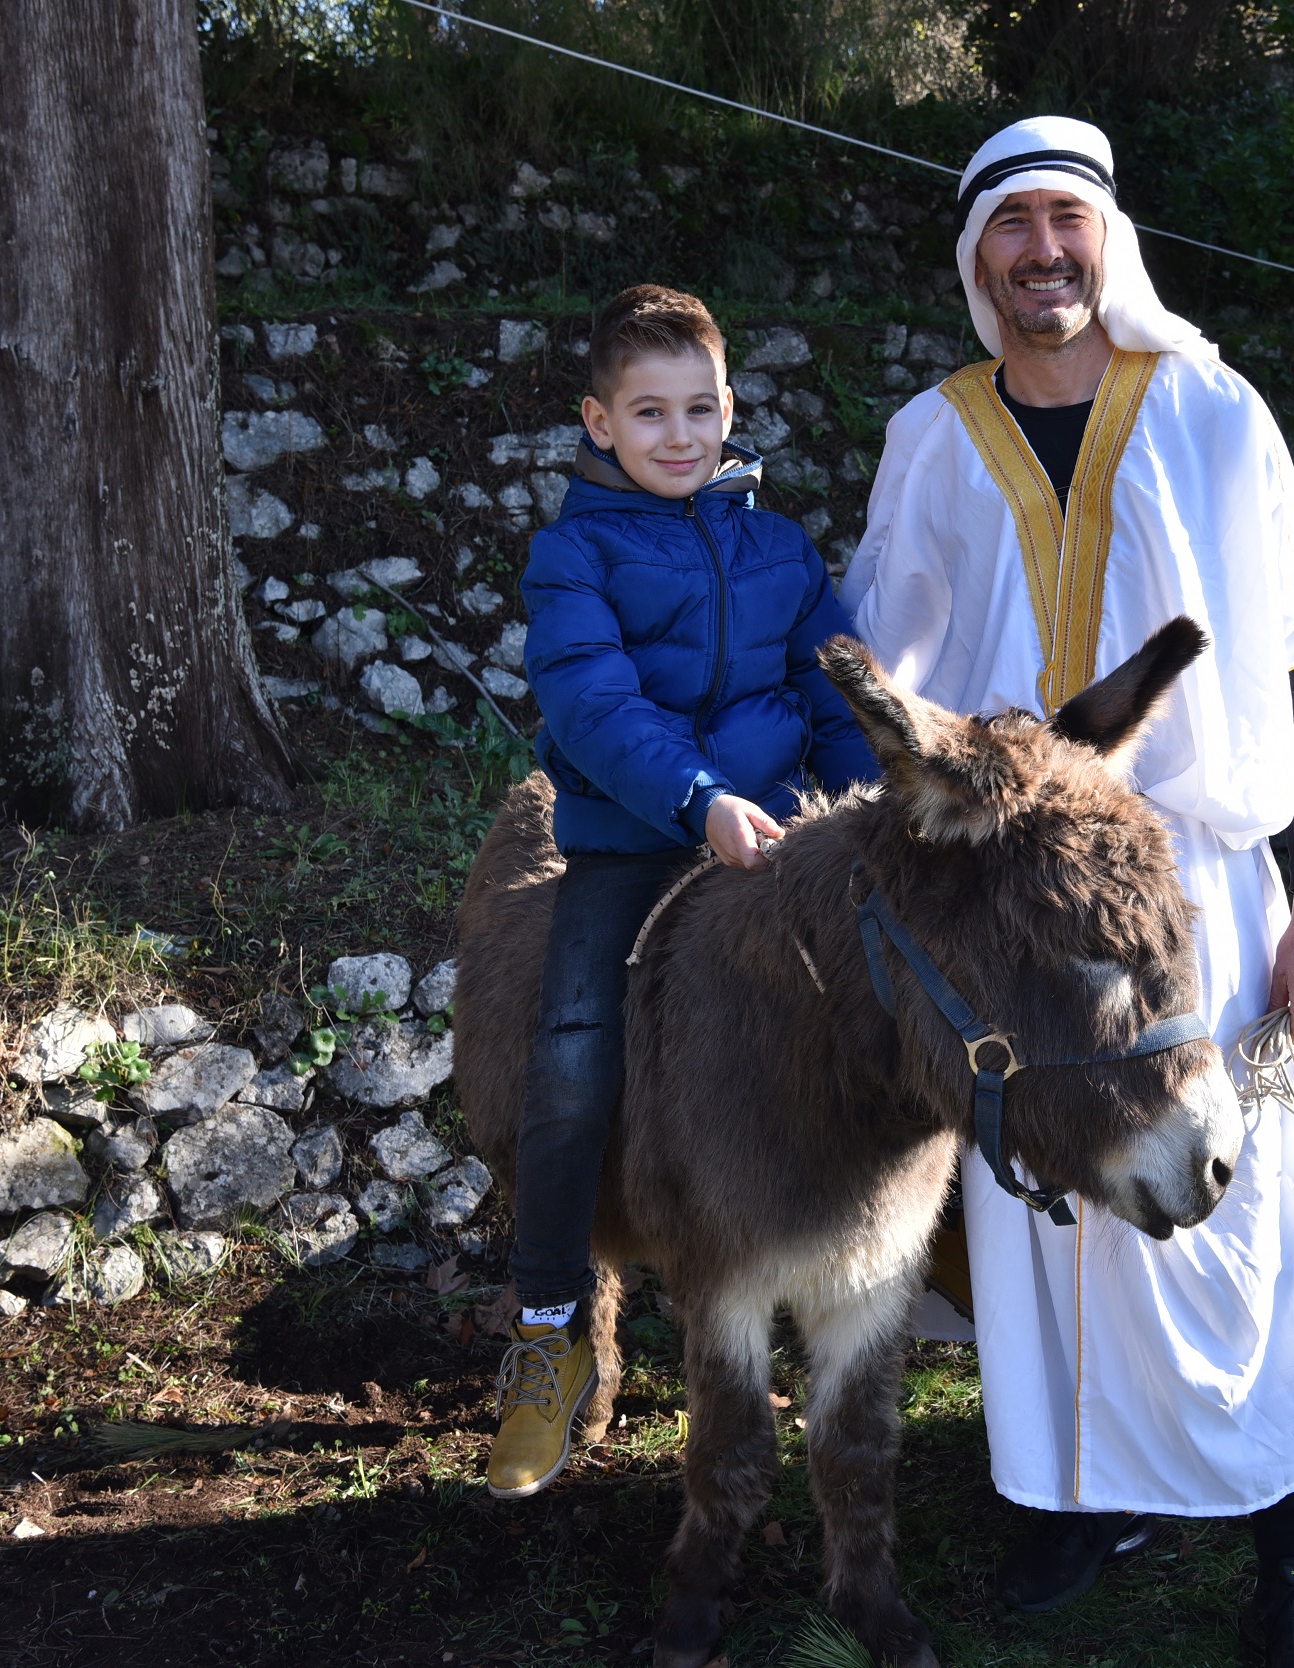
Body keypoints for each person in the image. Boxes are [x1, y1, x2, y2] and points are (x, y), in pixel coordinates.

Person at [843, 117, 1294, 1666]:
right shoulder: (930, 436)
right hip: (1013, 900)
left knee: (1245, 1204)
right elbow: (891, 667)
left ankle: (1290, 1557)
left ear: (1110, 241)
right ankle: (1081, 1492)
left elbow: (1292, 670)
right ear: (977, 259)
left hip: (1206, 884)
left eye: (1067, 221)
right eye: (1012, 225)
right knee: (1042, 1211)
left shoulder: (1217, 414)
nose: (1044, 250)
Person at [488, 283, 878, 1499]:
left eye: (699, 408)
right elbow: (595, 709)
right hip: (635, 844)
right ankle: (548, 1330)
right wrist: (701, 799)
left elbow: (832, 689)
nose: (679, 435)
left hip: (782, 841)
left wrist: (872, 798)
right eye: (648, 412)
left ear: (729, 408)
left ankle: (900, 1274)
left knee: (908, 1001)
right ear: (598, 421)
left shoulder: (778, 547)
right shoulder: (572, 554)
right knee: (565, 1057)